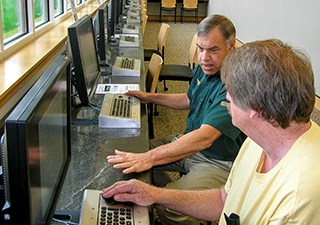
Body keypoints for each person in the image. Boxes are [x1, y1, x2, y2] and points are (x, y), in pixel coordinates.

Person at [102, 39, 320, 224]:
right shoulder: (262, 136)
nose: (226, 99)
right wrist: (154, 194)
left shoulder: (297, 197)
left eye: (231, 95)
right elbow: (224, 200)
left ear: (256, 109)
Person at [107, 14, 247, 225]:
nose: (204, 58)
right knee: (128, 157)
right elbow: (189, 99)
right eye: (200, 48)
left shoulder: (235, 83)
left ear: (231, 46)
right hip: (189, 142)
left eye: (213, 50)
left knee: (167, 208)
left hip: (216, 161)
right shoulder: (206, 66)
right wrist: (149, 97)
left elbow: (205, 138)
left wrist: (150, 158)